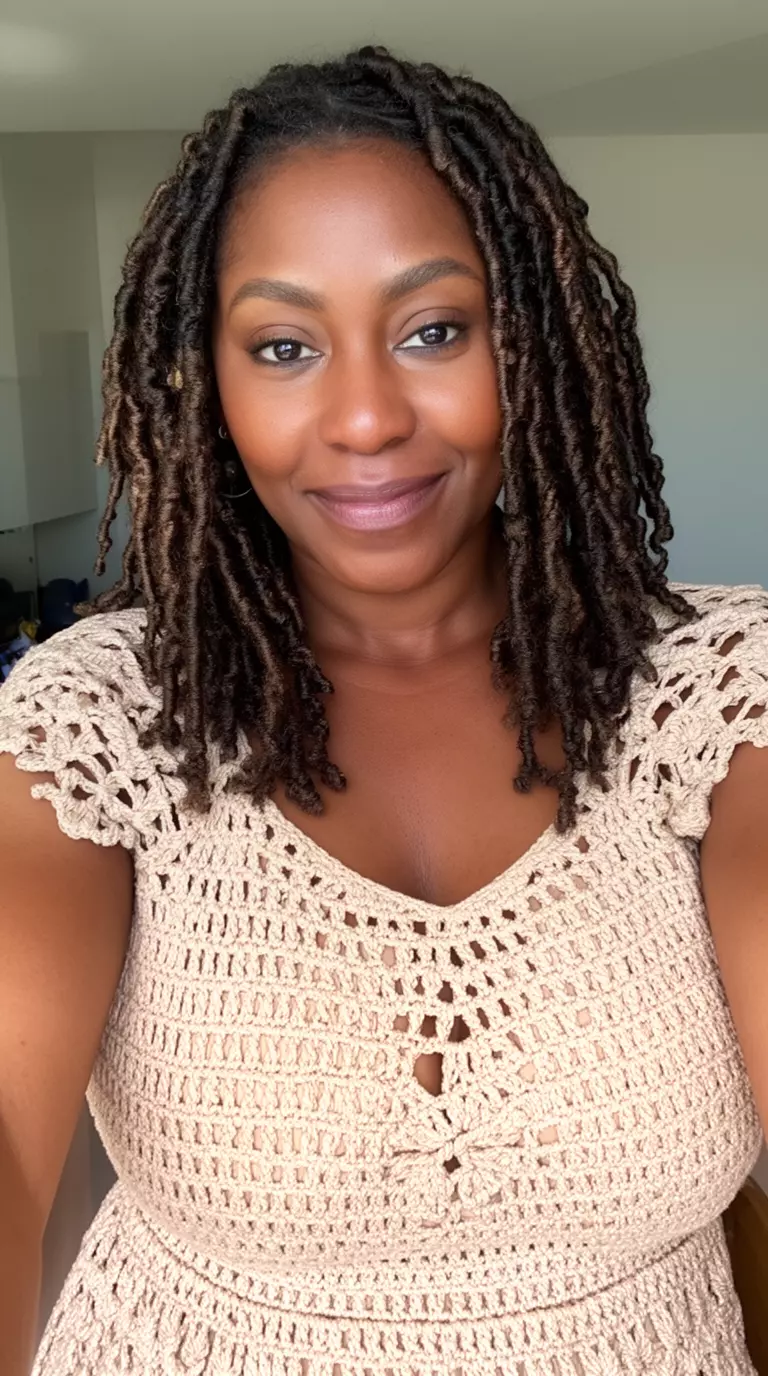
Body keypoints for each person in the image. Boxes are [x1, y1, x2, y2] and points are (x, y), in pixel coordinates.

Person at [1, 45, 767, 1376]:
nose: (364, 418)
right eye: (284, 347)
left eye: (433, 330)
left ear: (532, 344)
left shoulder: (718, 691)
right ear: (208, 380)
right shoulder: (108, 716)